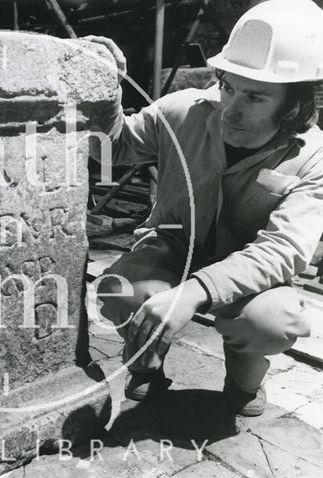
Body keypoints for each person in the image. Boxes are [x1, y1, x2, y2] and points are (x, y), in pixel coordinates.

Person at [89, 0, 323, 416]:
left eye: (254, 97)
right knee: (120, 288)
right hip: (176, 245)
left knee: (272, 320)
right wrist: (105, 92)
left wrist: (194, 292)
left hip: (254, 273)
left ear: (294, 102)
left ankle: (245, 380)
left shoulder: (315, 157)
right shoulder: (184, 111)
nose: (231, 109)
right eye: (228, 87)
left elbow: (284, 249)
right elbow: (112, 150)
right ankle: (146, 366)